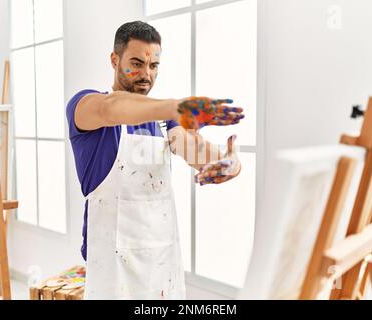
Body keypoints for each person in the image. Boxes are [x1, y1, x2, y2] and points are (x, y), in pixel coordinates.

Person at [66, 21, 244, 299]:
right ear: (114, 60)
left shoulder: (164, 119)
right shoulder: (86, 106)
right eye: (136, 63)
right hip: (113, 272)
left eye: (154, 66)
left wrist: (229, 162)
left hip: (163, 267)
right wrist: (176, 106)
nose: (146, 75)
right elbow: (111, 107)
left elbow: (189, 147)